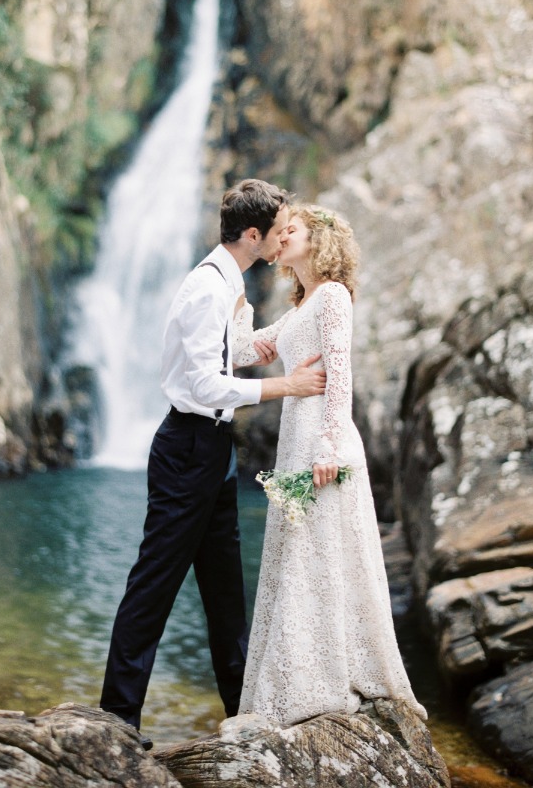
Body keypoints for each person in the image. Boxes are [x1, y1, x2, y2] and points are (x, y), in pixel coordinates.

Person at [100, 180, 327, 748]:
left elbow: (229, 354)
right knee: (153, 585)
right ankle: (116, 723)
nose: (282, 241)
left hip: (213, 451)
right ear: (254, 235)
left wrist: (270, 342)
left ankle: (241, 713)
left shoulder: (232, 284)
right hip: (187, 448)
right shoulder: (207, 288)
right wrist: (288, 386)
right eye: (277, 233)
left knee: (225, 589)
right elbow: (202, 383)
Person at [234, 204, 426, 725]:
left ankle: (323, 680)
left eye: (290, 230)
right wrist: (236, 300)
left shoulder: (334, 297)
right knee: (299, 552)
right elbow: (246, 351)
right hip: (295, 440)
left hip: (323, 438)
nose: (280, 238)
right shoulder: (299, 308)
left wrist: (330, 446)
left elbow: (341, 373)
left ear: (317, 241)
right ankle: (295, 677)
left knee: (321, 551)